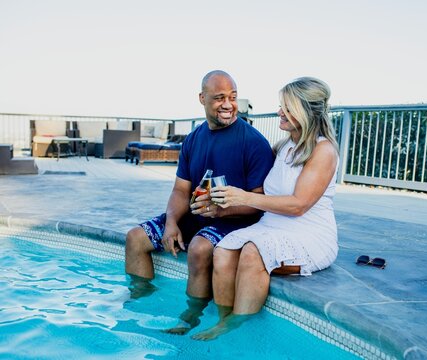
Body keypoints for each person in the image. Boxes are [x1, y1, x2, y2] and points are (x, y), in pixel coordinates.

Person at [124, 70, 274, 335]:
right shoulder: (194, 138)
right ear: (202, 98)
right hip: (198, 214)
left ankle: (190, 316)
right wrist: (171, 222)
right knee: (136, 238)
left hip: (237, 219)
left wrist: (221, 209)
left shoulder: (254, 143)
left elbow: (260, 202)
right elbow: (181, 190)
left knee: (199, 248)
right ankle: (141, 301)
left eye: (233, 97)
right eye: (219, 98)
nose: (228, 104)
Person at [192, 77, 339, 340]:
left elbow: (298, 205)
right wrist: (218, 198)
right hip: (271, 226)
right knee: (224, 251)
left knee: (251, 252)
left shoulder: (323, 150)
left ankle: (239, 326)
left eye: (287, 107)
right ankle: (224, 319)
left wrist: (243, 198)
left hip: (308, 234)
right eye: (281, 105)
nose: (279, 112)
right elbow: (247, 165)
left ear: (305, 112)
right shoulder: (284, 147)